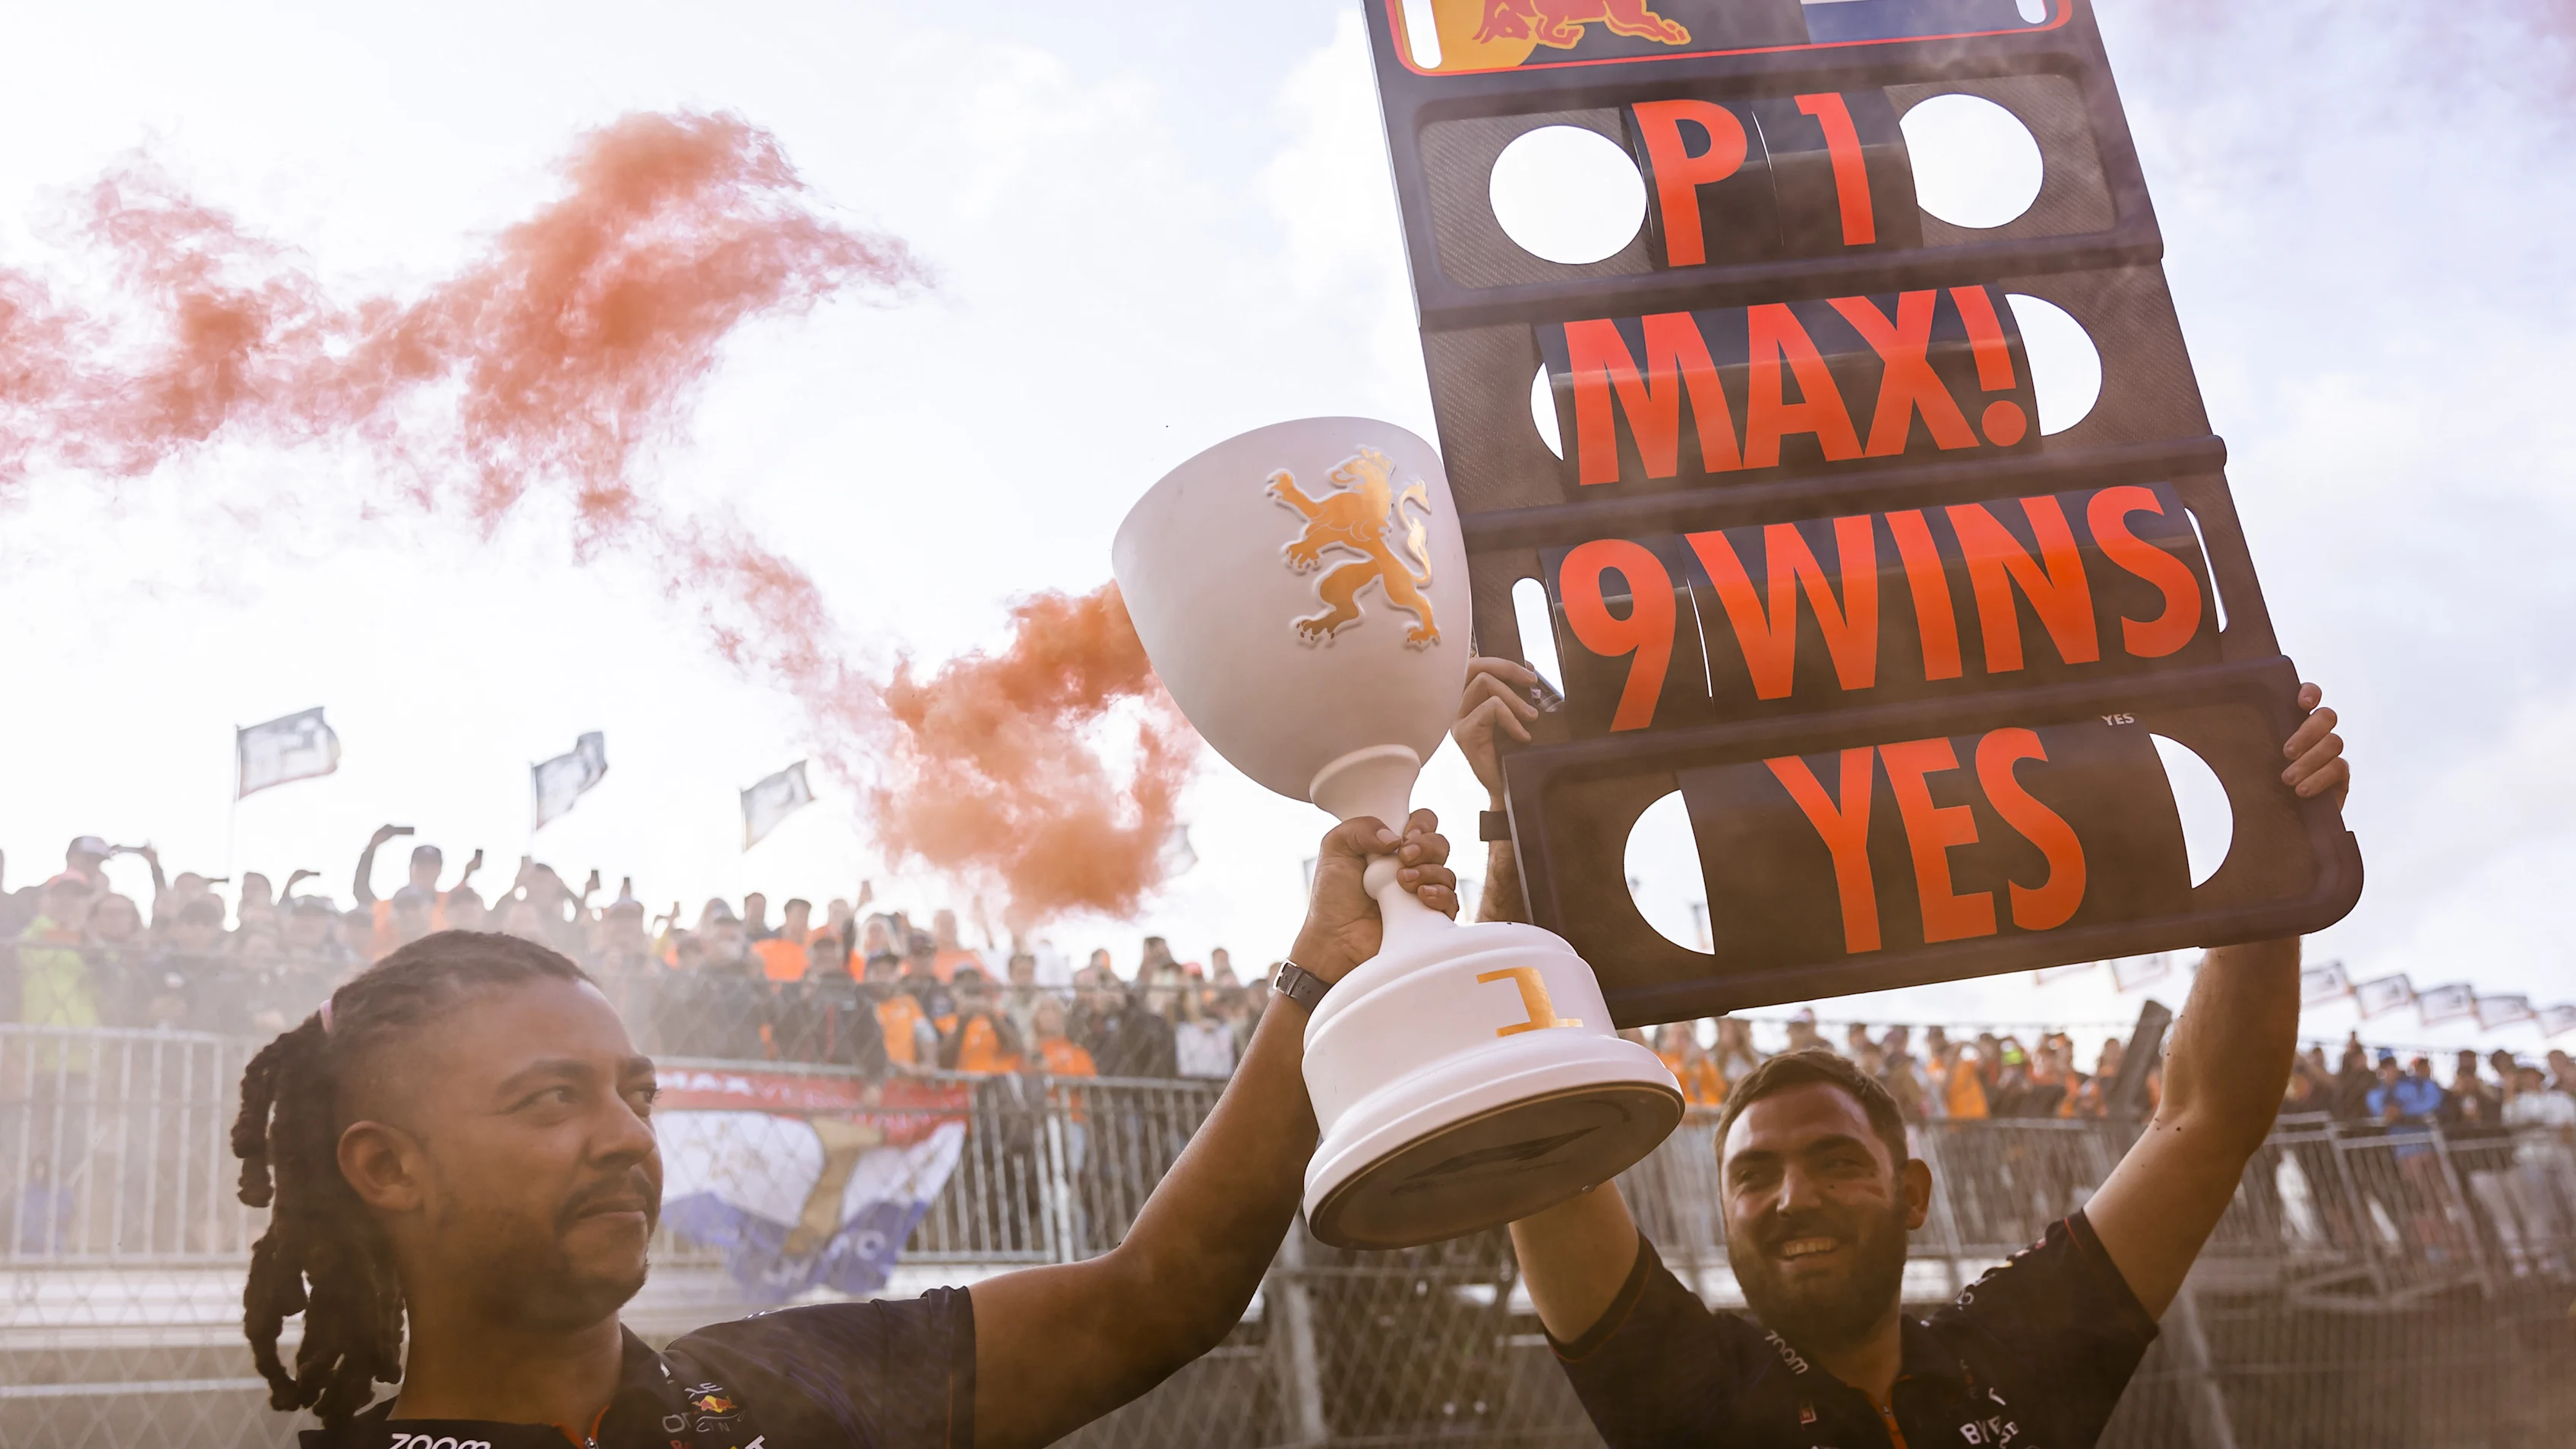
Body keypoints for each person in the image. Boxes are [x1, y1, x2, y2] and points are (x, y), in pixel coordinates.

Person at [226, 812, 1457, 1446]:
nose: (623, 1137)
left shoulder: (800, 1382)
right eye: (553, 1098)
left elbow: (1153, 1298)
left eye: (636, 1093)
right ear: (387, 1165)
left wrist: (1314, 970)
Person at [1456, 655, 2352, 1447]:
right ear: (1722, 1216)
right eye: (1752, 1176)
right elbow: (1531, 1119)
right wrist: (1512, 824)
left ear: (1913, 1193)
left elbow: (2203, 1121)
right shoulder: (1687, 1396)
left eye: (1836, 1160)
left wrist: (2270, 836)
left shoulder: (2010, 1354)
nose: (1792, 1198)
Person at [1173, 985, 1236, 1081]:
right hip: (1190, 1078)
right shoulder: (1180, 1027)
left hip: (1217, 1076)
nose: (1196, 1000)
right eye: (1191, 997)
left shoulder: (1214, 1019)